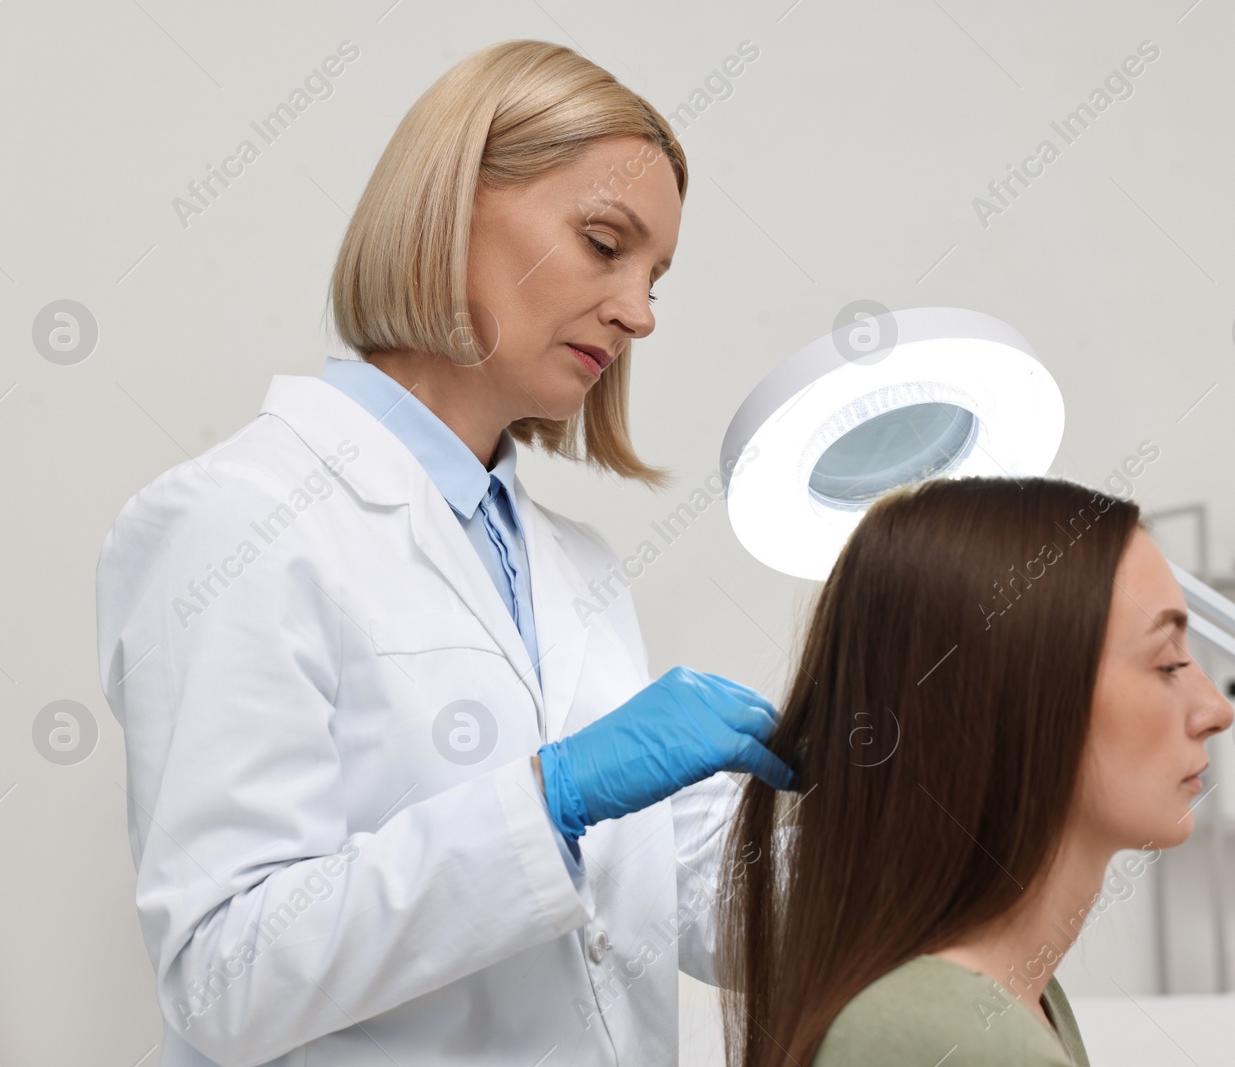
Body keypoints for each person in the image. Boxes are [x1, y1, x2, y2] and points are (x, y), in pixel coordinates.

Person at [95, 39, 792, 1067]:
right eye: (605, 242)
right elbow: (225, 974)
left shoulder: (573, 564)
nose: (638, 312)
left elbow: (683, 899)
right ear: (453, 202)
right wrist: (547, 797)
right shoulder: (234, 519)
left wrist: (913, 806)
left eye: (656, 277)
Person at [715, 475, 1235, 1066]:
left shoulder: (1017, 1003)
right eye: (1168, 663)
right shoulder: (938, 1034)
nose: (1216, 710)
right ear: (1013, 698)